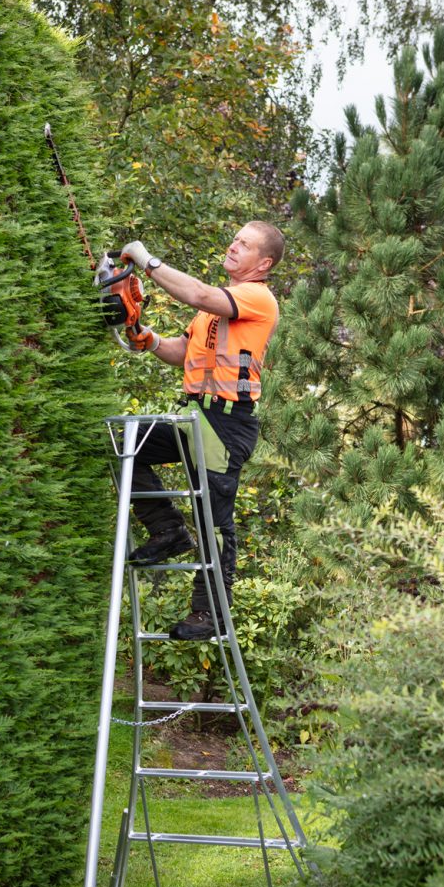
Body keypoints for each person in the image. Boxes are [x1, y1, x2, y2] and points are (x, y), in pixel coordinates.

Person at [120, 221, 284, 640]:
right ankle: (167, 530)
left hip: (227, 423)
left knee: (214, 519)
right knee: (128, 447)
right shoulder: (217, 306)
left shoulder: (256, 297)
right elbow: (182, 352)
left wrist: (146, 260)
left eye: (244, 244)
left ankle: (208, 612)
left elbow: (197, 293)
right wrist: (147, 338)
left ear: (263, 263)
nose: (233, 246)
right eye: (235, 239)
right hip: (196, 416)